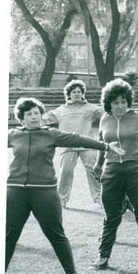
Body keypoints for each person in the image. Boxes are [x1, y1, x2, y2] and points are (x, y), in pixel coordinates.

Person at [7, 97, 124, 274]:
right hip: (16, 192)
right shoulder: (13, 135)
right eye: (29, 114)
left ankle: (72, 273)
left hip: (44, 192)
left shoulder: (50, 134)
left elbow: (77, 138)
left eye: (37, 113)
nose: (35, 117)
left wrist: (105, 146)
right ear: (22, 118)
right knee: (9, 236)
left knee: (56, 234)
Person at [92, 79, 138, 269]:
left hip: (135, 170)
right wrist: (99, 165)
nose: (120, 106)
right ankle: (103, 257)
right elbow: (102, 144)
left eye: (124, 101)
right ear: (109, 103)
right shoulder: (104, 119)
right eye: (116, 102)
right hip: (112, 170)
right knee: (111, 217)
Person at [41, 78, 104, 209]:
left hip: (87, 144)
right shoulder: (61, 110)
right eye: (74, 92)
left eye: (79, 92)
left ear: (82, 93)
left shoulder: (91, 108)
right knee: (66, 173)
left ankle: (100, 199)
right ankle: (62, 200)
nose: (76, 94)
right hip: (68, 145)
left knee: (94, 171)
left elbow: (106, 112)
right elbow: (44, 119)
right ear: (68, 94)